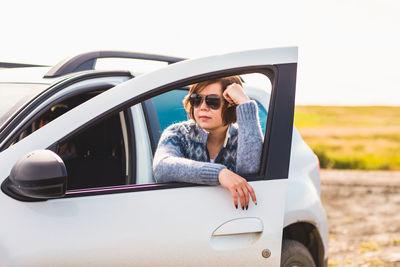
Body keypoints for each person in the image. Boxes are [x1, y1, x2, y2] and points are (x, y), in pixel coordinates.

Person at [153, 76, 264, 210]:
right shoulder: (178, 133)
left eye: (212, 101)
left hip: (231, 221)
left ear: (231, 104)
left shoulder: (245, 138)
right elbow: (161, 167)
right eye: (196, 100)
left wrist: (245, 104)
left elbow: (250, 171)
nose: (203, 107)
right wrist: (219, 174)